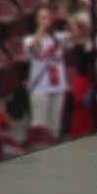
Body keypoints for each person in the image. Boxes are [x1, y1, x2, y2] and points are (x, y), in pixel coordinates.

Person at [23, 9, 68, 139]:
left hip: (58, 86)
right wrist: (41, 29)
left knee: (55, 126)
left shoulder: (58, 38)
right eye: (42, 17)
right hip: (40, 87)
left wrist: (67, 19)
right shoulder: (28, 39)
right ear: (36, 20)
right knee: (40, 126)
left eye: (47, 17)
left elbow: (75, 36)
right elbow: (32, 47)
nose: (45, 20)